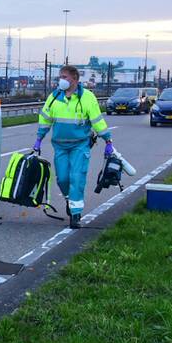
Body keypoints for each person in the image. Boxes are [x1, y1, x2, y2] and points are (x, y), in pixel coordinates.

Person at [33, 65, 113, 229]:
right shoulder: (54, 97)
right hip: (60, 146)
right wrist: (39, 139)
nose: (61, 80)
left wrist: (108, 140)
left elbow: (97, 121)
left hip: (80, 145)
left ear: (75, 79)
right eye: (60, 77)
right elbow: (45, 119)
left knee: (77, 178)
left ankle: (75, 215)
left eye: (65, 77)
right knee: (62, 179)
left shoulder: (87, 98)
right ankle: (70, 201)